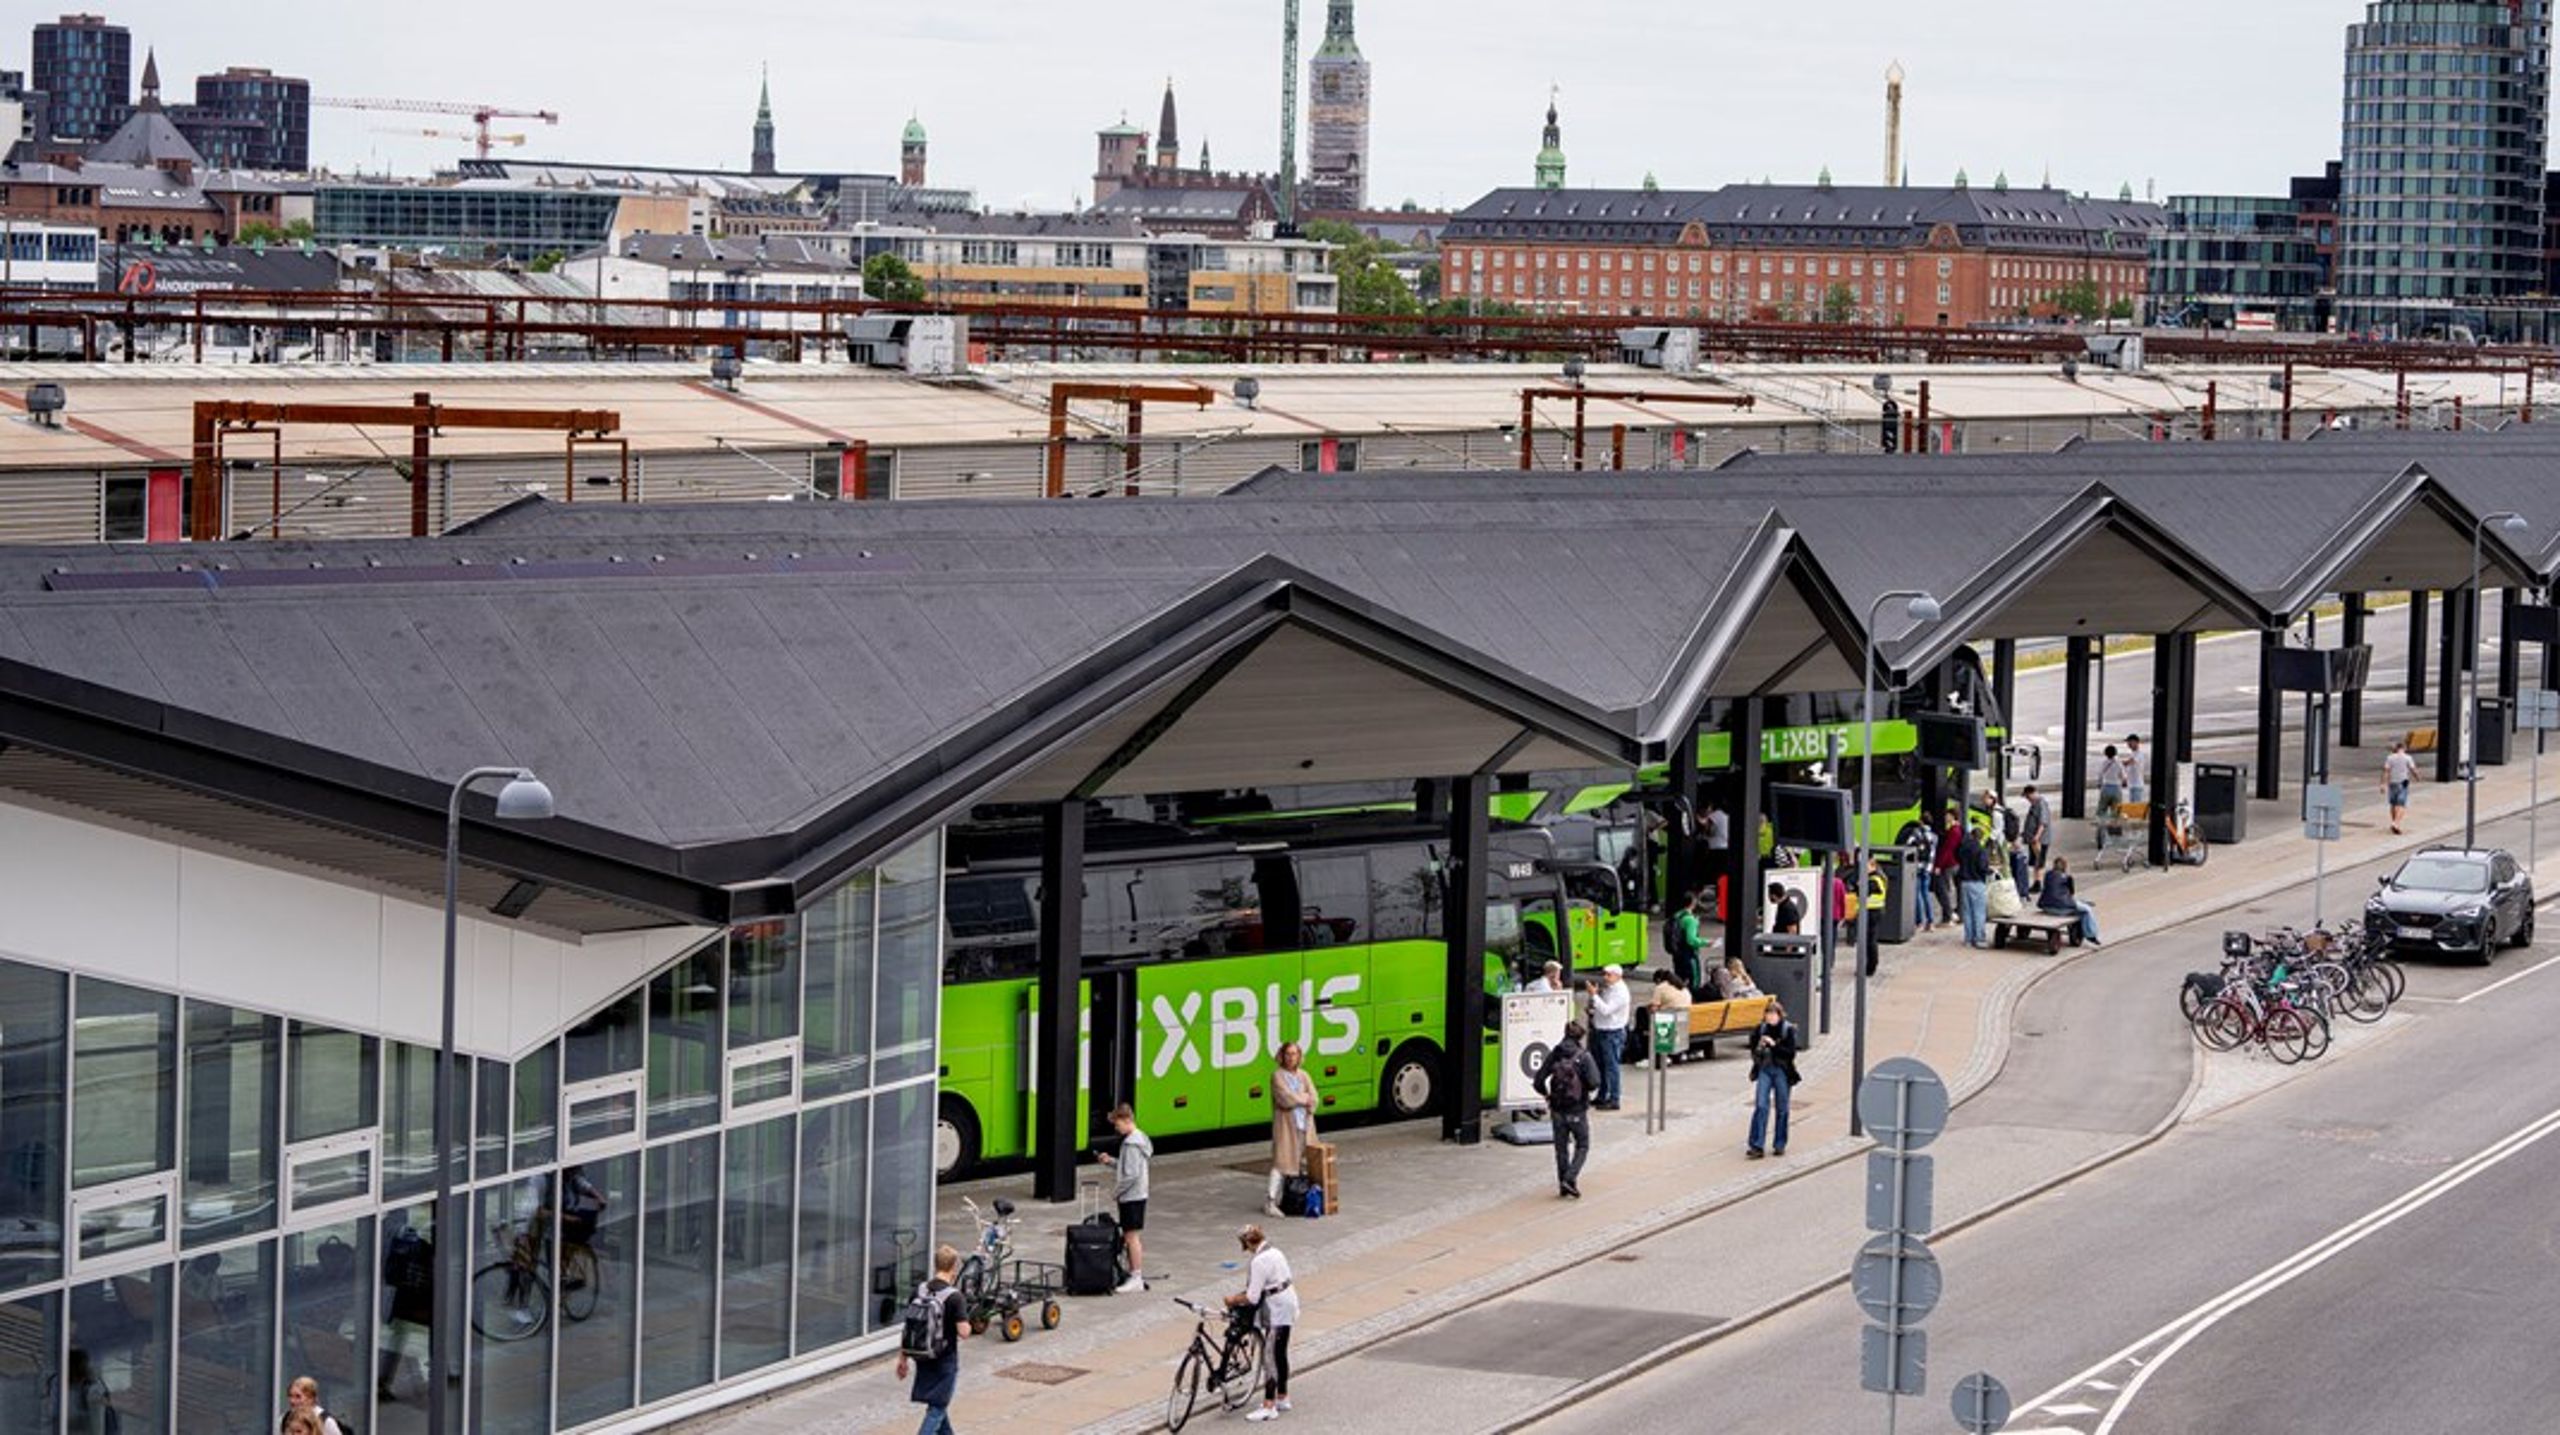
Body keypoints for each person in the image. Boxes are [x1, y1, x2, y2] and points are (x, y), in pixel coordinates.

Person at [893, 1243, 971, 1435]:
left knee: (938, 1405)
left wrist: (902, 1359)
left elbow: (909, 1328)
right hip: (945, 1360)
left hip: (922, 1357)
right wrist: (968, 1320)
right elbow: (964, 1332)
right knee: (937, 1409)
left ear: (936, 1265)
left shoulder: (919, 1290)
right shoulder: (955, 1297)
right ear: (954, 1267)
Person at [1229, 1224, 1299, 1421]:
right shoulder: (1276, 1251)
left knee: (1270, 1356)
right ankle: (1282, 1396)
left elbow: (1252, 1297)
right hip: (1288, 1302)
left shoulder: (1258, 1261)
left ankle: (1269, 1405)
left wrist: (1233, 1299)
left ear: (1248, 1242)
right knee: (1280, 1352)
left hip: (1276, 1310)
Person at [1532, 1020, 1602, 1197]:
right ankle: (1570, 1179)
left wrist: (1547, 1095)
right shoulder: (1584, 1056)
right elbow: (1595, 1082)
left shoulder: (1556, 1054)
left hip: (1557, 1109)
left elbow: (1538, 1080)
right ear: (1581, 1037)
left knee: (1561, 1149)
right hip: (1577, 1109)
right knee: (1583, 1145)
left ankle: (1563, 1185)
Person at [1097, 1104, 1152, 1293]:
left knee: (1131, 1237)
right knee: (1131, 1236)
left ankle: (1136, 1276)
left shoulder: (1131, 1144)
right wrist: (1110, 1161)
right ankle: (1134, 1274)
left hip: (1132, 1196)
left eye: (1117, 1124)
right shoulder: (1139, 1139)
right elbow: (1127, 1168)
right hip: (1137, 1194)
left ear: (1127, 1120)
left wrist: (1116, 1192)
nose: (1116, 1128)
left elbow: (1130, 1175)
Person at [1745, 998, 1802, 1159]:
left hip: (1782, 1071)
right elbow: (1753, 1050)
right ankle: (1756, 1144)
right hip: (1765, 1069)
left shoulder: (1787, 1030)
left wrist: (1774, 1045)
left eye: (1773, 1015)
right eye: (1767, 1015)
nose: (1770, 1018)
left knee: (1782, 1108)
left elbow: (1790, 1053)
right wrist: (1760, 1046)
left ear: (1779, 1015)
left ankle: (1779, 1143)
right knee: (1761, 1105)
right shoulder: (1760, 1029)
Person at [1265, 1042, 1317, 1218]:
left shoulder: (1304, 1075)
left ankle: (1296, 1199)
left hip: (1304, 1125)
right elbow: (1284, 1099)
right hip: (1286, 1127)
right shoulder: (1277, 1076)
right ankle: (1270, 1201)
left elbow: (1314, 1097)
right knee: (1281, 1163)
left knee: (1302, 1163)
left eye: (1294, 1054)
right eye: (1288, 1054)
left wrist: (1303, 1099)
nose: (1291, 1057)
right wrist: (1303, 1098)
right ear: (1282, 1055)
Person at [1586, 964, 1631, 1109]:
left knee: (1612, 1067)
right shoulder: (1609, 989)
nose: (1605, 977)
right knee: (1602, 1066)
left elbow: (1607, 1010)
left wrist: (1594, 995)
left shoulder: (1621, 993)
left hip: (1612, 1032)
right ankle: (1602, 1094)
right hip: (1602, 1030)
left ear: (1618, 976)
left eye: (1609, 975)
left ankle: (1614, 1098)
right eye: (1604, 974)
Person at [2037, 856, 2102, 945]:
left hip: (2046, 906)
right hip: (2062, 908)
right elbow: (2071, 894)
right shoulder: (2068, 877)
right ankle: (2091, 935)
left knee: (2078, 904)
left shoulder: (2048, 875)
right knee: (2087, 910)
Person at [1896, 816, 1939, 930]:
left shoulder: (1916, 833)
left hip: (1917, 867)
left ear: (1921, 821)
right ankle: (1930, 921)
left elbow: (1908, 844)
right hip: (1928, 868)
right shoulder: (1934, 837)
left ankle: (1919, 921)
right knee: (1926, 894)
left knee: (1917, 894)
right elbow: (1933, 854)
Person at [1955, 821, 1993, 949]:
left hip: (1965, 882)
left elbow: (1957, 856)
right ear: (1981, 837)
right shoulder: (1980, 850)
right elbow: (1982, 867)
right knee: (1979, 912)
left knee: (1967, 912)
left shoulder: (1964, 848)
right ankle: (1979, 939)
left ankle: (1968, 939)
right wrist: (1990, 870)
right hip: (1977, 882)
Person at [1668, 890, 1707, 993]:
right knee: (1694, 981)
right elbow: (1691, 940)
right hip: (1689, 955)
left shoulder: (1677, 915)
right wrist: (1707, 942)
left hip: (1677, 954)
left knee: (1679, 980)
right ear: (1693, 902)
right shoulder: (1690, 920)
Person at [280, 1376, 347, 1435]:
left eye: (298, 1397)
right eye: (290, 1396)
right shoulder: (285, 1418)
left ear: (311, 1398)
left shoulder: (326, 1421)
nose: (292, 1401)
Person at [1932, 808, 1963, 934]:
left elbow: (1947, 850)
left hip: (1948, 864)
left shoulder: (1953, 831)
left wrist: (1938, 865)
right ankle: (1952, 914)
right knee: (1947, 888)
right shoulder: (1958, 829)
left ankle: (1948, 916)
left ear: (1952, 816)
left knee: (1942, 888)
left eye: (1947, 815)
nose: (1946, 817)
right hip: (1954, 863)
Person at [2383, 740, 2417, 835]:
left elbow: (2386, 771)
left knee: (2393, 804)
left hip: (2392, 783)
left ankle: (2394, 822)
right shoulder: (2408, 758)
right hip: (2403, 783)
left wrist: (2383, 784)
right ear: (2404, 748)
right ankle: (2396, 823)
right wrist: (2417, 777)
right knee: (2401, 804)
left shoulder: (2390, 758)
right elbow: (2412, 769)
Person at [2020, 784, 2052, 876]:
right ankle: (2036, 881)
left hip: (2039, 840)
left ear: (2032, 793)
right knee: (2035, 862)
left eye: (2027, 796)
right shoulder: (2035, 804)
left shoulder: (2041, 804)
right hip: (2033, 838)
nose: (2027, 799)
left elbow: (2043, 822)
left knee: (2039, 861)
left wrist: (2037, 836)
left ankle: (2038, 881)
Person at [2096, 744, 2129, 821]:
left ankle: (2102, 825)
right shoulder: (2118, 763)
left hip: (2106, 787)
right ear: (2115, 753)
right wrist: (2124, 782)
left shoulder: (2104, 762)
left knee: (2102, 809)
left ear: (2105, 753)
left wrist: (2099, 783)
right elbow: (2123, 775)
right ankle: (2113, 828)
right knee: (2116, 811)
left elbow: (2100, 774)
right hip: (2116, 788)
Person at [2124, 735, 2148, 806]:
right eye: (2128, 743)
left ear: (2136, 742)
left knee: (2136, 806)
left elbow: (2131, 761)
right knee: (2132, 806)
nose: (2128, 744)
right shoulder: (2133, 754)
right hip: (2132, 784)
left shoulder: (2139, 754)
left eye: (2130, 742)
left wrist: (2121, 763)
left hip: (2137, 785)